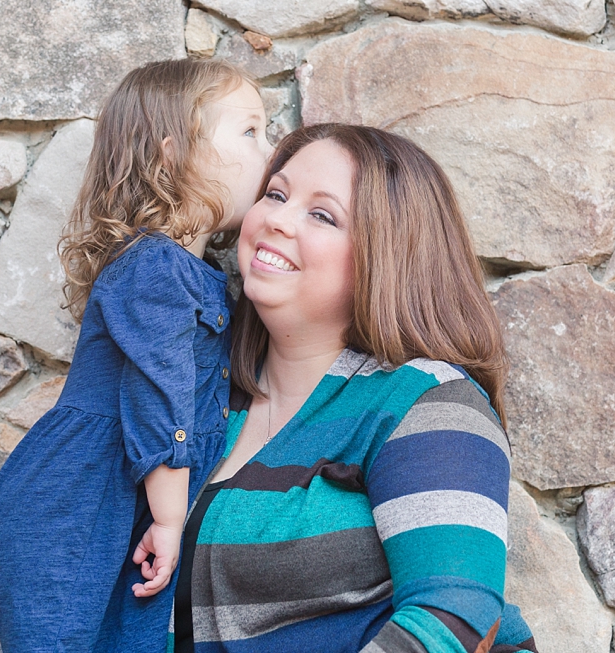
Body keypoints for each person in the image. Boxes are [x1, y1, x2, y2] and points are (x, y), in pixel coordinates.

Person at [169, 123, 539, 653]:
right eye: (275, 194)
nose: (276, 218)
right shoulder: (198, 393)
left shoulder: (423, 401)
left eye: (322, 214)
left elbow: (456, 614)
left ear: (385, 255)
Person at [0, 58, 274, 653]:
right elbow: (158, 396)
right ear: (173, 157)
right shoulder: (155, 268)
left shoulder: (198, 273)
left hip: (107, 507)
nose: (270, 149)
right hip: (70, 506)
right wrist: (169, 519)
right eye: (249, 131)